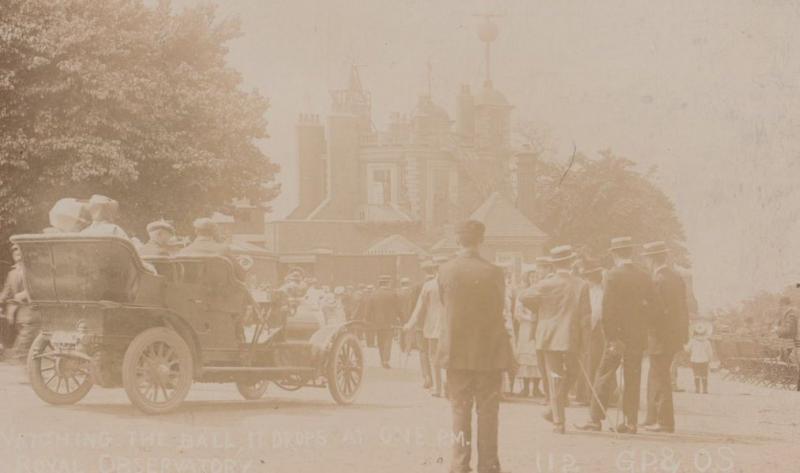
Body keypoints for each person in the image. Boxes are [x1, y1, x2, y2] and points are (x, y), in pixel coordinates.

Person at [437, 220, 512, 473]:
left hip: (456, 352)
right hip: (488, 352)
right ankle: (489, 466)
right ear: (482, 240)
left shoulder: (445, 270)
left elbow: (446, 308)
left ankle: (459, 465)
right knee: (488, 412)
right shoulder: (494, 272)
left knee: (459, 410)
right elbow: (499, 309)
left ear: (458, 240)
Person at [576, 236, 659, 434]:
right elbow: (655, 307)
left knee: (604, 374)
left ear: (614, 254)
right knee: (633, 377)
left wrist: (612, 337)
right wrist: (641, 324)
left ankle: (595, 420)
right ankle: (631, 423)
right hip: (637, 337)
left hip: (617, 337)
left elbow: (607, 310)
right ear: (631, 252)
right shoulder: (645, 275)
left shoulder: (612, 275)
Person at [520, 245, 590, 434]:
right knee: (571, 374)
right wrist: (585, 342)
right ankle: (558, 419)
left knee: (556, 378)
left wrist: (540, 310)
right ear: (570, 263)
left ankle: (556, 415)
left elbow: (524, 296)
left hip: (549, 336)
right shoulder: (581, 284)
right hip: (572, 336)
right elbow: (586, 317)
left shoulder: (546, 284)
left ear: (554, 265)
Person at [640, 241, 689, 433]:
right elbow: (683, 308)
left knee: (661, 377)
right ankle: (652, 416)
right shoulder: (676, 277)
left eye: (646, 258)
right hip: (673, 335)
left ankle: (665, 422)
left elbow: (656, 311)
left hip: (659, 335)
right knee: (656, 375)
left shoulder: (658, 279)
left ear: (651, 259)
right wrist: (683, 336)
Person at [404, 261, 445, 396]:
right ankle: (445, 386)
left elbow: (419, 308)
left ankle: (438, 388)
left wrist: (410, 324)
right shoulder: (455, 285)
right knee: (446, 357)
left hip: (433, 327)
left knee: (434, 358)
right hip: (449, 327)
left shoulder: (429, 286)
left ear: (434, 270)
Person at [513, 266, 543, 398]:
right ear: (528, 278)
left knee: (536, 355)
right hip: (526, 327)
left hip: (538, 326)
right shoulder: (523, 293)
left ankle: (536, 388)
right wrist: (528, 318)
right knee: (525, 356)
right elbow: (517, 312)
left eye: (536, 277)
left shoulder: (542, 292)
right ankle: (525, 388)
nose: (534, 279)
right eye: (532, 277)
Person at [368, 275, 401, 368]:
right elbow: (398, 308)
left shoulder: (374, 294)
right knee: (388, 341)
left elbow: (369, 309)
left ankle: (382, 359)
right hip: (390, 322)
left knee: (380, 341)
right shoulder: (393, 294)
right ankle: (386, 360)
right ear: (388, 283)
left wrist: (368, 320)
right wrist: (402, 319)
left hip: (377, 322)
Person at [775, 295, 800, 390]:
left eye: (780, 306)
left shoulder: (791, 313)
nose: (780, 308)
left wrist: (778, 330)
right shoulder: (793, 312)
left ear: (783, 304)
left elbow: (790, 330)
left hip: (795, 344)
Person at [687, 323, 713, 393]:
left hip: (695, 360)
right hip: (704, 360)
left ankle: (697, 389)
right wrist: (710, 360)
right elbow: (710, 353)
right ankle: (705, 390)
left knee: (696, 375)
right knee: (704, 375)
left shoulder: (692, 341)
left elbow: (687, 349)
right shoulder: (707, 342)